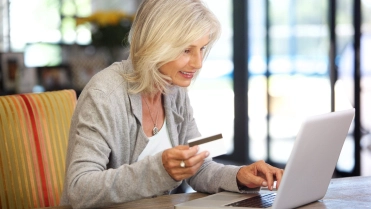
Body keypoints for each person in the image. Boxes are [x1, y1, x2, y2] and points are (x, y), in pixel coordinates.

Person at [60, 0, 284, 208]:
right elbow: (79, 188)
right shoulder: (104, 95)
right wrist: (160, 169)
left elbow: (200, 166)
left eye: (202, 49)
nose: (198, 63)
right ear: (155, 44)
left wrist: (239, 176)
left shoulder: (174, 87)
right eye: (187, 50)